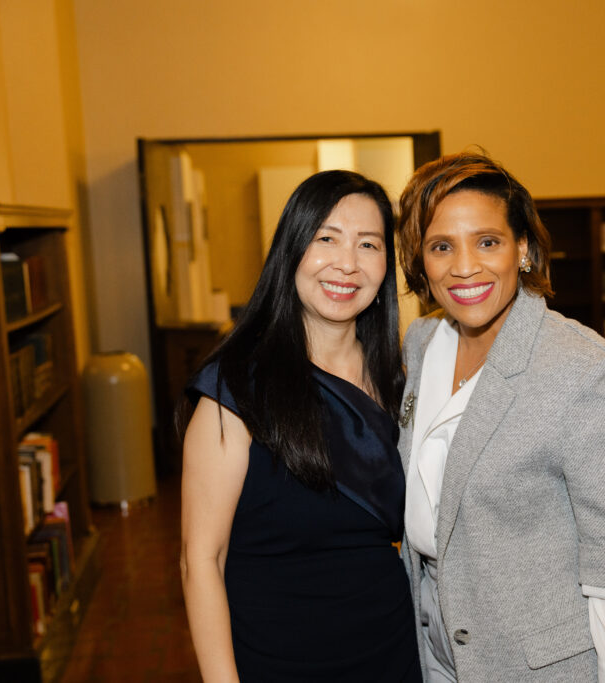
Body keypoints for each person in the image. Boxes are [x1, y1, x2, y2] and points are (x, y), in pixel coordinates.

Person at [395, 152, 605, 681]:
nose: (465, 267)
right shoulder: (421, 344)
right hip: (433, 640)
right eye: (441, 246)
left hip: (538, 661)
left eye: (487, 241)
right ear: (420, 260)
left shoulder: (585, 370)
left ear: (524, 249)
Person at [179, 170, 420, 682]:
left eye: (369, 244)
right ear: (292, 250)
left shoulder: (402, 379)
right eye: (326, 238)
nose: (347, 263)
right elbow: (200, 560)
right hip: (276, 660)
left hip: (391, 653)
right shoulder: (235, 390)